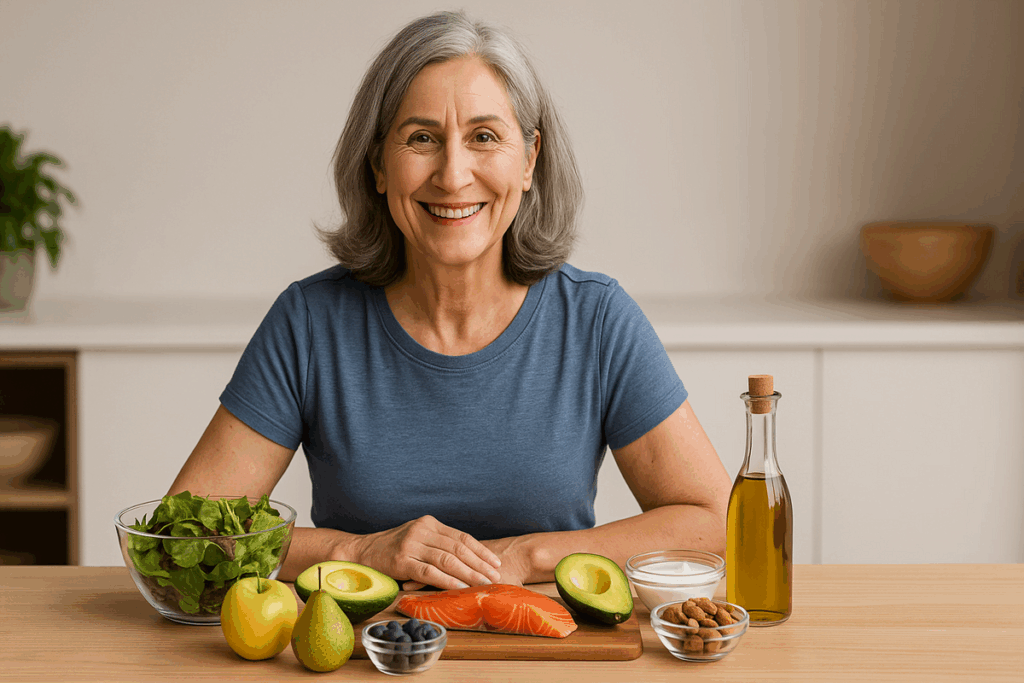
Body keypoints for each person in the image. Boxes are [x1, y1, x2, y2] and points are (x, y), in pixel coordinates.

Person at [168, 10, 732, 591]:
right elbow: (185, 533)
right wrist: (361, 550)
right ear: (378, 164)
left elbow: (715, 519)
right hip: (363, 660)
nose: (453, 174)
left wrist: (527, 557)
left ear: (530, 160)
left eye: (484, 137)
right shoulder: (309, 323)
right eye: (421, 139)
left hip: (546, 656)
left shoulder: (597, 320)